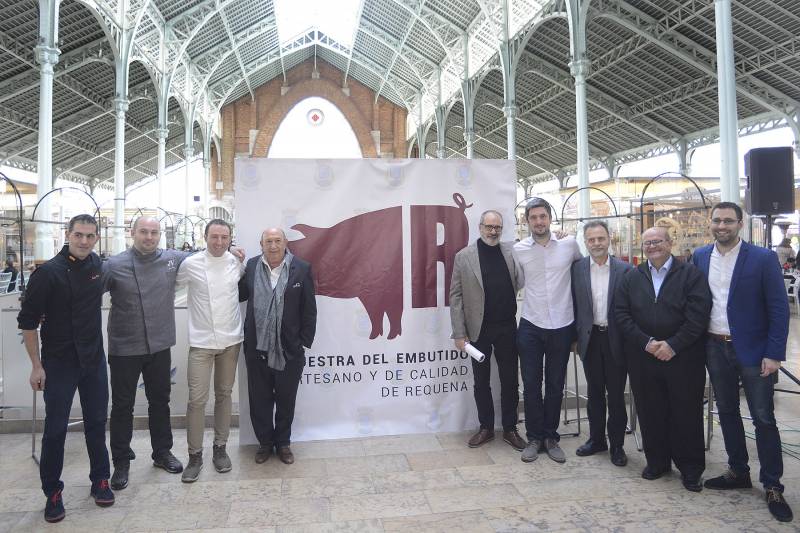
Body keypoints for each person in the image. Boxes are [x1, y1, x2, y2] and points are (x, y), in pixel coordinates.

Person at [692, 202, 793, 522]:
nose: (722, 226)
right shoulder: (700, 256)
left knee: (763, 417)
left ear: (740, 224)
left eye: (728, 221)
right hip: (714, 347)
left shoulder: (762, 259)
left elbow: (779, 308)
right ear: (711, 223)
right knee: (727, 411)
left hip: (754, 351)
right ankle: (738, 470)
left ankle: (773, 484)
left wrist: (774, 353)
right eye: (717, 221)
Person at [18, 214, 114, 523]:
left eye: (90, 236)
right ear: (68, 235)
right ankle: (52, 492)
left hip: (94, 361)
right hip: (58, 363)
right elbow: (28, 323)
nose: (84, 241)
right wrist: (36, 366)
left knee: (98, 423)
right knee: (56, 430)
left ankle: (100, 479)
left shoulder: (98, 266)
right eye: (79, 235)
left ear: (96, 238)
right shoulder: (47, 273)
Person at [615, 225, 711, 492]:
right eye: (647, 243)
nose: (652, 246)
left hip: (683, 358)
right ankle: (657, 462)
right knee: (650, 410)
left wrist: (673, 344)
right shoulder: (632, 277)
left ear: (670, 243)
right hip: (644, 357)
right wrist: (646, 343)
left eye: (658, 241)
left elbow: (699, 315)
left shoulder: (691, 275)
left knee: (686, 413)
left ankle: (691, 469)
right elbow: (621, 314)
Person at [103, 216, 188, 489]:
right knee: (122, 406)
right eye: (143, 232)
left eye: (154, 232)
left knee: (160, 402)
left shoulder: (172, 258)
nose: (149, 237)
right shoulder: (114, 265)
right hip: (125, 347)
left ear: (160, 235)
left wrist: (234, 251)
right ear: (132, 233)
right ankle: (121, 461)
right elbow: (86, 291)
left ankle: (162, 453)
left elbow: (207, 255)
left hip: (160, 345)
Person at [239, 228, 317, 465]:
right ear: (261, 244)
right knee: (259, 399)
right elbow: (240, 295)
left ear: (285, 243)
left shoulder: (301, 268)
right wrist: (233, 264)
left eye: (277, 241)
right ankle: (264, 443)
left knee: (286, 399)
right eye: (268, 241)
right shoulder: (251, 267)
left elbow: (309, 310)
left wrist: (302, 342)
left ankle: (283, 443)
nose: (273, 246)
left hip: (289, 350)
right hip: (257, 347)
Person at [449, 210, 525, 451]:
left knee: (510, 380)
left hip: (507, 327)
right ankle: (486, 428)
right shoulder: (464, 256)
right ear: (480, 227)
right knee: (481, 382)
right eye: (489, 227)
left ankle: (511, 429)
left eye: (497, 227)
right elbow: (456, 296)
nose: (493, 231)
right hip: (477, 330)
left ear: (502, 229)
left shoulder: (511, 251)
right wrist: (459, 333)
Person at [175, 219, 245, 483]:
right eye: (214, 237)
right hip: (202, 342)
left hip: (230, 340)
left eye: (224, 237)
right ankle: (195, 455)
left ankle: (220, 448)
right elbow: (173, 285)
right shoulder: (190, 264)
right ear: (205, 237)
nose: (219, 242)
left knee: (224, 395)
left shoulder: (236, 263)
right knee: (197, 400)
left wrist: (238, 253)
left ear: (230, 239)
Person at [513, 198, 582, 464]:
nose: (539, 222)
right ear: (527, 221)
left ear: (550, 218)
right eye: (533, 218)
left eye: (543, 216)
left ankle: (551, 437)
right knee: (531, 384)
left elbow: (581, 274)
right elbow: (515, 282)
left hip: (562, 325)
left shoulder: (569, 245)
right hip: (531, 323)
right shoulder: (519, 250)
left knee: (555, 385)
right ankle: (534, 437)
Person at [570, 220, 631, 466]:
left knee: (616, 395)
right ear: (585, 242)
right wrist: (574, 339)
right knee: (594, 394)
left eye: (601, 239)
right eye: (591, 239)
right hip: (590, 339)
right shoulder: (576, 269)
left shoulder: (625, 270)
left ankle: (617, 445)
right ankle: (596, 440)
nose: (596, 243)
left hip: (616, 340)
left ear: (609, 240)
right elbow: (572, 306)